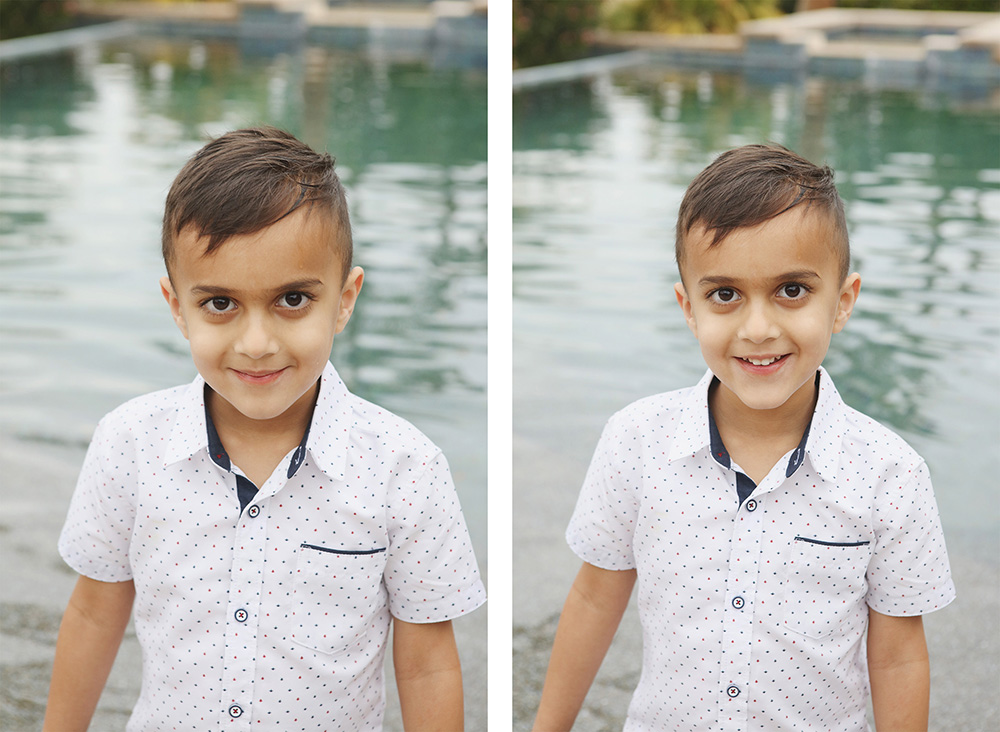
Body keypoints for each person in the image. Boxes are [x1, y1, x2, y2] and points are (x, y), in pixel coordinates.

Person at [44, 126, 485, 731]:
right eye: (220, 303)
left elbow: (428, 663)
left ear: (345, 299)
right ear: (178, 307)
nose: (257, 344)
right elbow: (95, 615)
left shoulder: (403, 466)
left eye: (294, 299)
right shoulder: (130, 444)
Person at [532, 144, 955, 732]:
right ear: (689, 307)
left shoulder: (889, 473)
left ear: (843, 302)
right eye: (725, 295)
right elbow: (594, 600)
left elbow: (898, 653)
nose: (758, 329)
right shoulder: (637, 441)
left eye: (792, 291)